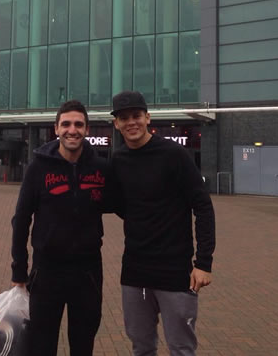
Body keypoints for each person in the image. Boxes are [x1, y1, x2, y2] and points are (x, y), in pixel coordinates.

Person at [111, 90, 216, 356]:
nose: (131, 122)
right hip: (134, 272)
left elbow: (202, 205)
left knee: (181, 349)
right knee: (141, 347)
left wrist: (203, 263)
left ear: (148, 118)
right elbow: (121, 206)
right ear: (116, 123)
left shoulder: (174, 154)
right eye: (124, 118)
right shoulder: (118, 161)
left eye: (136, 115)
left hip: (175, 272)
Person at [11, 100, 112, 356]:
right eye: (66, 124)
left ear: (87, 130)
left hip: (88, 272)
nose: (72, 130)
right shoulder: (38, 168)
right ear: (56, 129)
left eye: (78, 124)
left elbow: (127, 205)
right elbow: (21, 219)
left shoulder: (100, 168)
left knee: (83, 345)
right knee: (42, 346)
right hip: (47, 272)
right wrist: (19, 271)